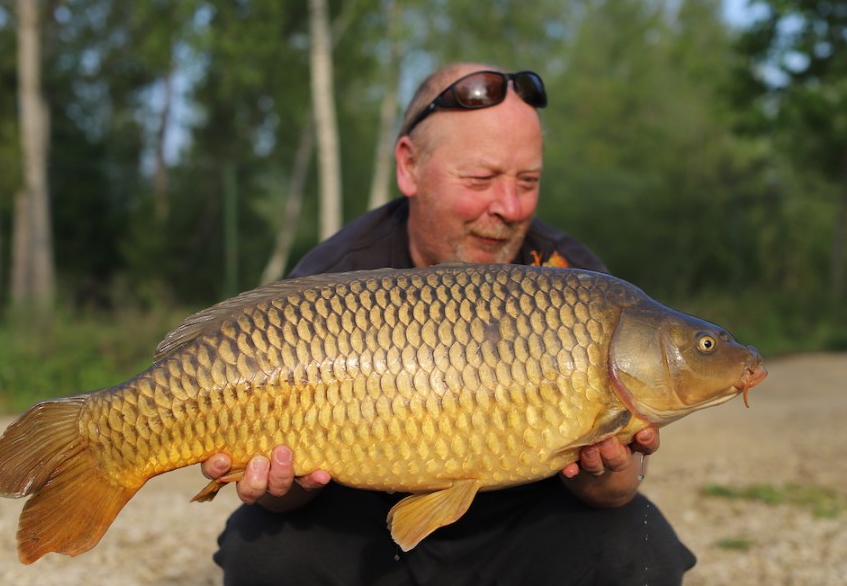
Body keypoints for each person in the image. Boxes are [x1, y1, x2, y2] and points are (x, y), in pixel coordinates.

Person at [203, 62, 697, 585]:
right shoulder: (336, 276)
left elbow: (615, 493)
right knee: (263, 548)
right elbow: (286, 500)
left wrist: (610, 473)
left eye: (527, 181)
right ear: (409, 167)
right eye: (480, 179)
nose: (507, 207)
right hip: (366, 529)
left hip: (521, 530)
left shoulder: (574, 284)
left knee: (638, 547)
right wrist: (285, 483)